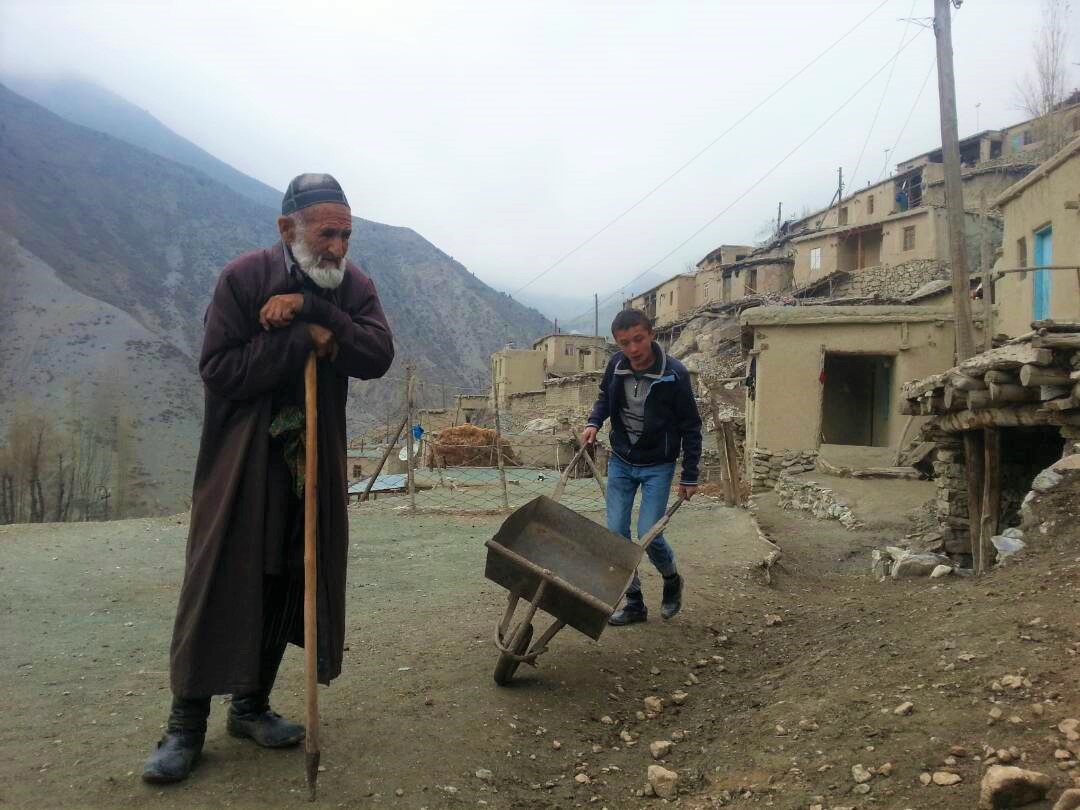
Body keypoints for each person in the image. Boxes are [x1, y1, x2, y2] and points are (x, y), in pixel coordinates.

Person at [143, 174, 395, 783]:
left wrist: (312, 310)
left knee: (289, 578)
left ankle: (250, 706)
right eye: (325, 232)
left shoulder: (353, 286)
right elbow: (220, 370)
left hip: (313, 460)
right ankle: (185, 725)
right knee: (222, 577)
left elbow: (377, 354)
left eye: (346, 234)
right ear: (289, 230)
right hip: (242, 461)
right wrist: (300, 343)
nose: (337, 246)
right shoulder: (244, 278)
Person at [581, 309, 701, 626]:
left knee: (649, 534)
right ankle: (634, 603)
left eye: (638, 339)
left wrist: (689, 475)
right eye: (625, 343)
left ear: (650, 334)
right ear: (618, 344)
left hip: (658, 465)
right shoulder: (616, 366)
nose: (633, 349)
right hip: (621, 459)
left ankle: (671, 578)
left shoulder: (674, 374)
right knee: (617, 536)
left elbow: (691, 426)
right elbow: (605, 398)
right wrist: (594, 422)